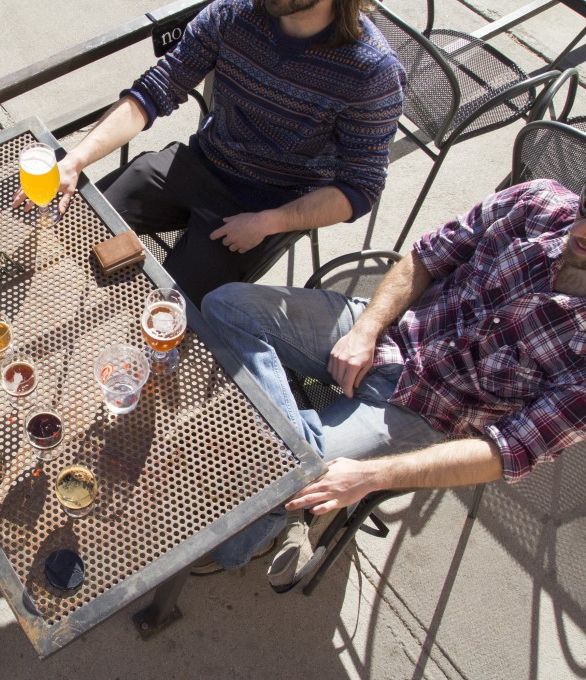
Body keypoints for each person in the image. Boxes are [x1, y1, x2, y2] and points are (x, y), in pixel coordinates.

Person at [197, 178, 586, 590]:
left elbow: (504, 452)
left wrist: (369, 477)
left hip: (428, 412)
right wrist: (366, 329)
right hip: (394, 331)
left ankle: (244, 536)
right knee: (227, 306)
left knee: (270, 477)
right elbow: (426, 256)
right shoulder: (540, 201)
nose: (581, 231)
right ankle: (296, 468)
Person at [15, 0, 405, 305]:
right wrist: (74, 161)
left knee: (166, 311)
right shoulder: (234, 13)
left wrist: (268, 222)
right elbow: (157, 89)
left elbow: (361, 187)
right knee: (74, 223)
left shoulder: (371, 70)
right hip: (201, 160)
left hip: (265, 207)